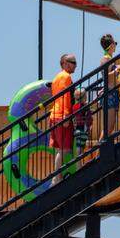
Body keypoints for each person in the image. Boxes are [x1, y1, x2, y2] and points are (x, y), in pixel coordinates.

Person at [50, 53, 78, 183]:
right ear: (65, 63)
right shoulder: (66, 77)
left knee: (59, 149)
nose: (75, 65)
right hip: (62, 116)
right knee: (64, 149)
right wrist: (67, 115)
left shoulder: (56, 78)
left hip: (55, 115)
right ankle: (56, 178)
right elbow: (65, 96)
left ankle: (57, 177)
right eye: (73, 62)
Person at [97, 34, 120, 141]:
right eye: (115, 43)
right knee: (108, 128)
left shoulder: (109, 58)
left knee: (110, 127)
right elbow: (107, 76)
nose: (116, 46)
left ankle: (99, 155)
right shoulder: (105, 59)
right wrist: (118, 69)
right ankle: (98, 156)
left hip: (112, 93)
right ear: (111, 45)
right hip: (110, 94)